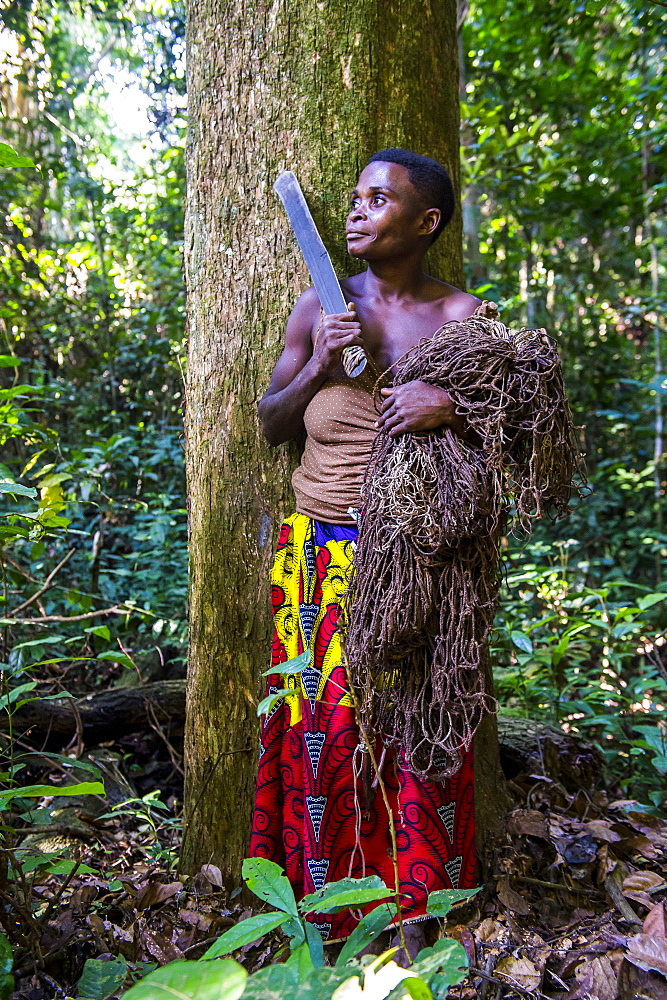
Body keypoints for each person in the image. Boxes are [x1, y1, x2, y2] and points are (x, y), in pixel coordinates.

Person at [250, 148, 491, 951]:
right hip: (320, 557)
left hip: (421, 565)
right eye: (353, 196)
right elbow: (271, 421)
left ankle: (416, 918)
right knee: (325, 732)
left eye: (377, 199)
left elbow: (521, 431)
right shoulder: (319, 306)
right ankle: (325, 919)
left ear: (424, 223)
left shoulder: (464, 320)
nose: (355, 211)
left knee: (416, 729)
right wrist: (320, 360)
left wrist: (450, 406)